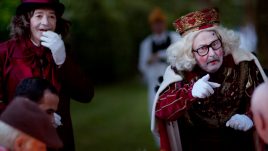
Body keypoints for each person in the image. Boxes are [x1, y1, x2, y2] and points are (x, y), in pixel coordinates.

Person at [151, 7, 268, 151]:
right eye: (202, 48)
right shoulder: (180, 73)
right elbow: (162, 110)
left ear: (222, 42)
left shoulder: (243, 64)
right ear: (190, 53)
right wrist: (189, 93)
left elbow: (262, 101)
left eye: (215, 44)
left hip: (241, 143)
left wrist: (250, 117)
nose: (212, 53)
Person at [0, 0, 94, 150]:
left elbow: (86, 94)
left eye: (52, 16)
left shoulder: (64, 51)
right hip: (21, 142)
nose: (46, 22)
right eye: (39, 16)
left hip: (59, 141)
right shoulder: (5, 52)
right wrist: (31, 117)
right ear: (26, 20)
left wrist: (62, 61)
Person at [138, 7, 180, 118]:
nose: (158, 26)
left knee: (176, 110)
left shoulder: (175, 38)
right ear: (151, 25)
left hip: (174, 80)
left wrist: (160, 55)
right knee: (155, 111)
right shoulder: (146, 44)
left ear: (164, 23)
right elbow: (142, 66)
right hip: (154, 83)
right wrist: (148, 61)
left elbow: (180, 55)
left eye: (160, 22)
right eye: (155, 23)